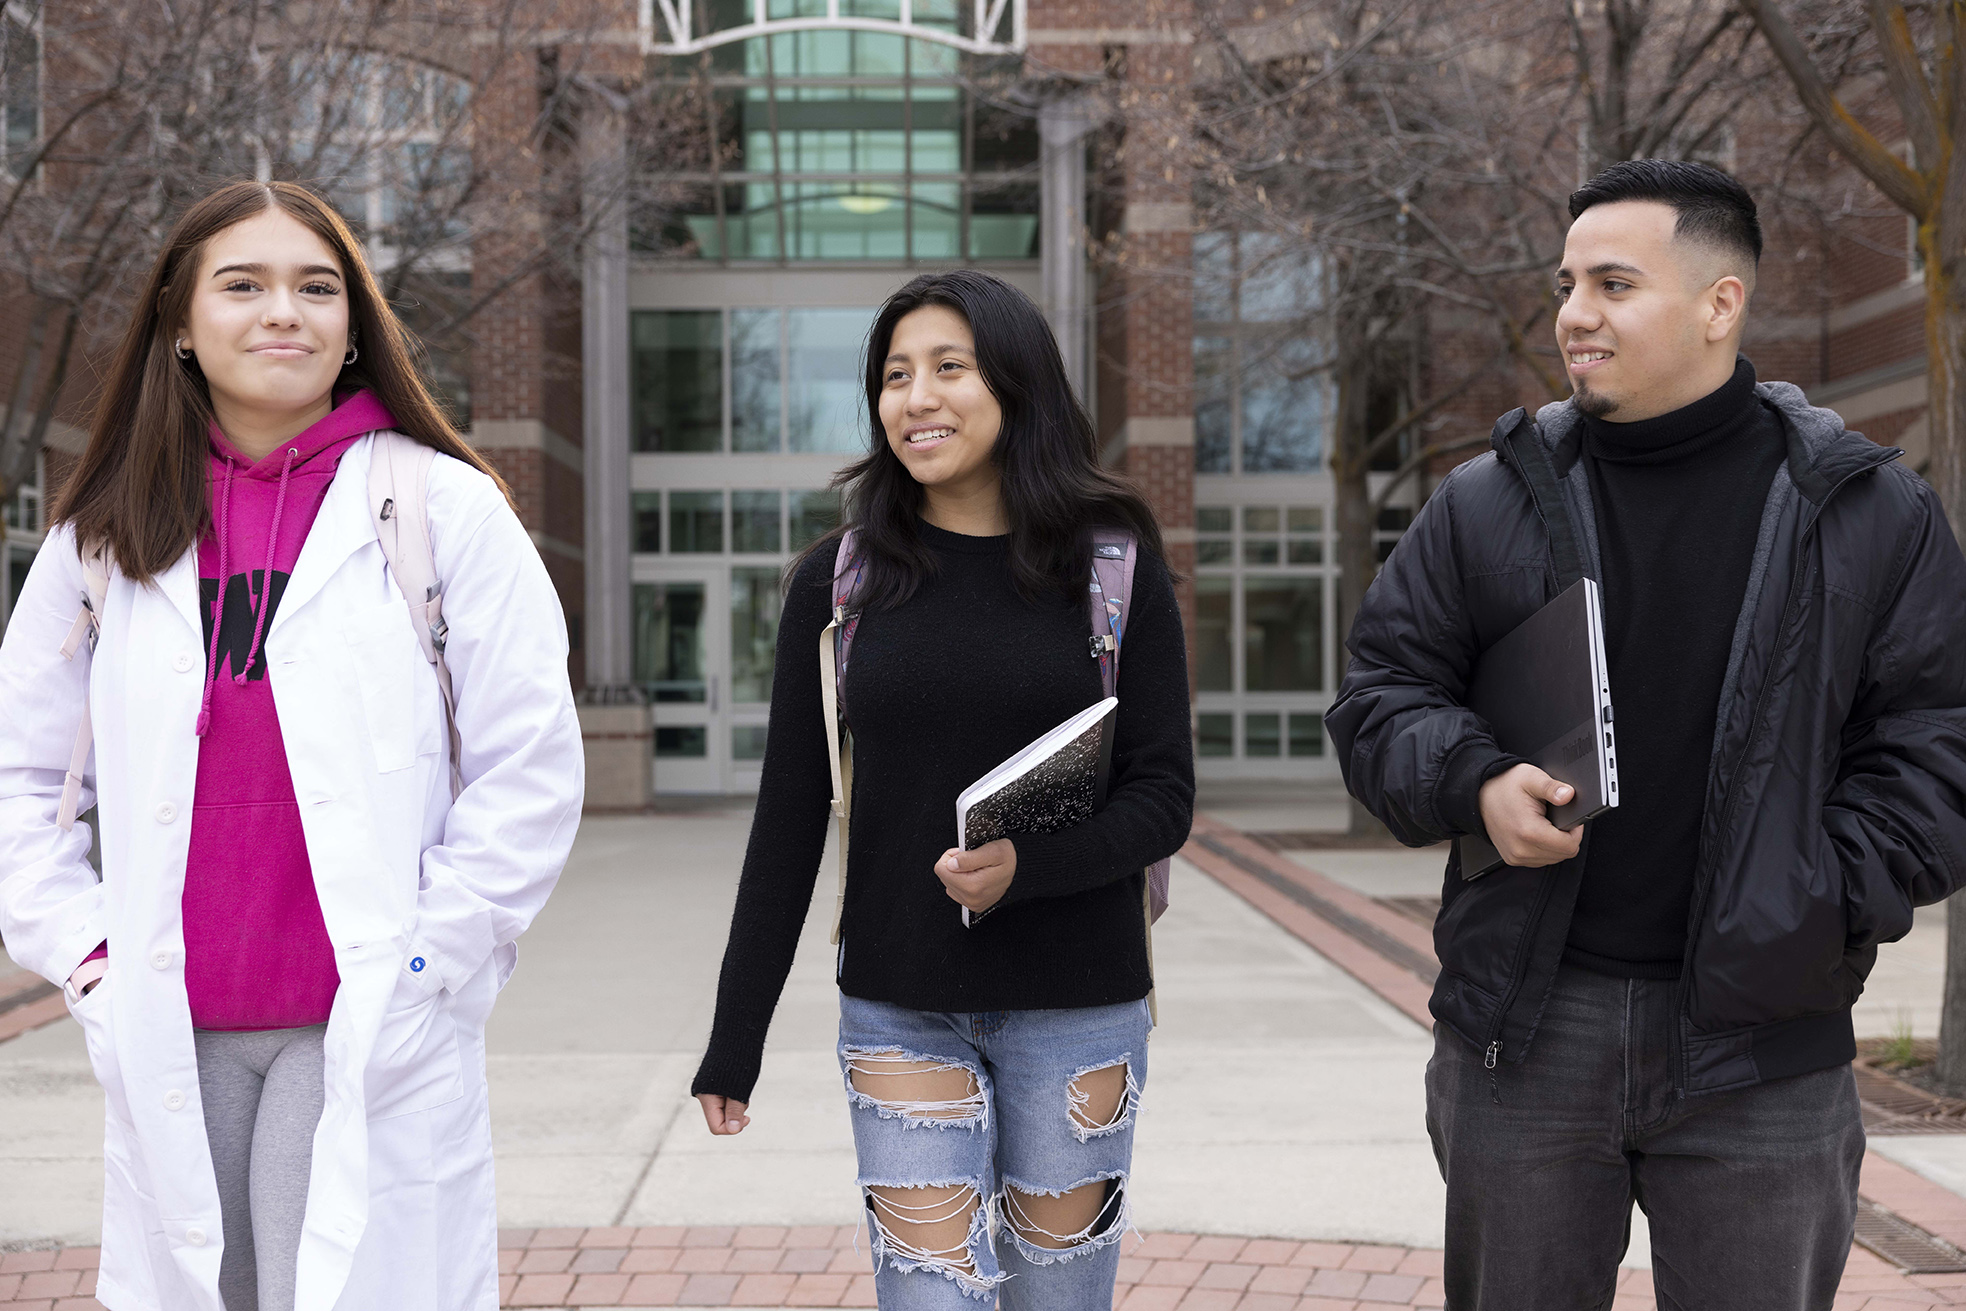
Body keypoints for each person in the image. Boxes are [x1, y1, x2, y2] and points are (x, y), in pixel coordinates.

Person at [1327, 159, 1966, 1309]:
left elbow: (1940, 746)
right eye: (1567, 283)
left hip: (1763, 1042)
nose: (1574, 313)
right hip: (1525, 1030)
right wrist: (1475, 785)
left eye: (1613, 283)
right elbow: (1379, 696)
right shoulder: (1486, 500)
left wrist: (1815, 901)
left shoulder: (1871, 512)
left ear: (1720, 305)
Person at [0, 180, 584, 1311]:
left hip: (361, 1013)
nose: (285, 312)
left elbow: (529, 768)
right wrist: (84, 956)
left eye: (318, 288)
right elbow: (22, 778)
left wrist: (433, 959)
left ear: (354, 325)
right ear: (179, 321)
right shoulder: (102, 536)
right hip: (171, 1015)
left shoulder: (440, 510)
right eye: (244, 284)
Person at [690, 270, 1193, 1309]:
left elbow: (1163, 796)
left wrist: (1029, 869)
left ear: (1015, 386)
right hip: (898, 1006)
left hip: (1079, 1005)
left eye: (948, 369)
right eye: (893, 376)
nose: (915, 397)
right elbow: (788, 818)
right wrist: (733, 1036)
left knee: (1058, 1297)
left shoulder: (1112, 569)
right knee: (932, 1295)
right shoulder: (839, 584)